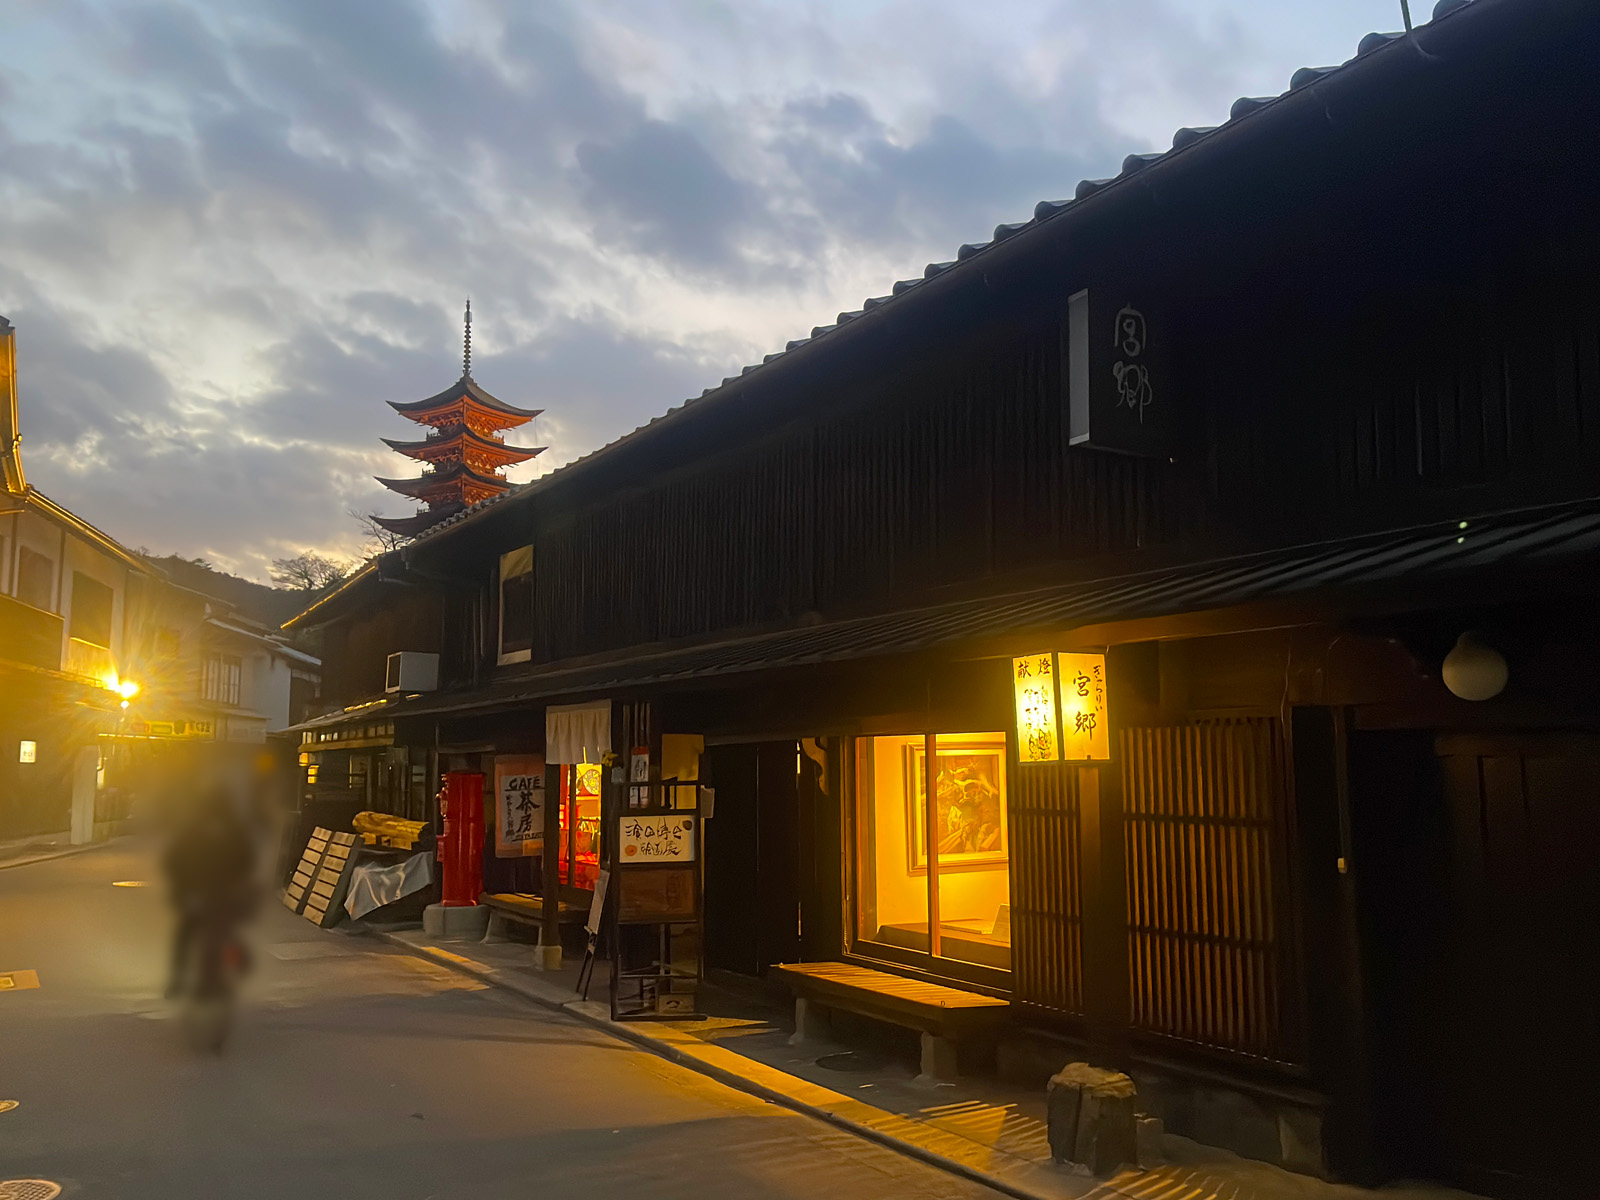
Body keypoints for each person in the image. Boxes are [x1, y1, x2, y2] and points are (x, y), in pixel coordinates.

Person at [162, 773, 259, 998]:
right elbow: (246, 859)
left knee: (188, 934)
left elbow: (175, 859)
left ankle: (179, 980)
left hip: (198, 890)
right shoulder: (233, 828)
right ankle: (210, 981)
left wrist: (181, 886)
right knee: (218, 933)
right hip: (221, 892)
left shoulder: (193, 828)